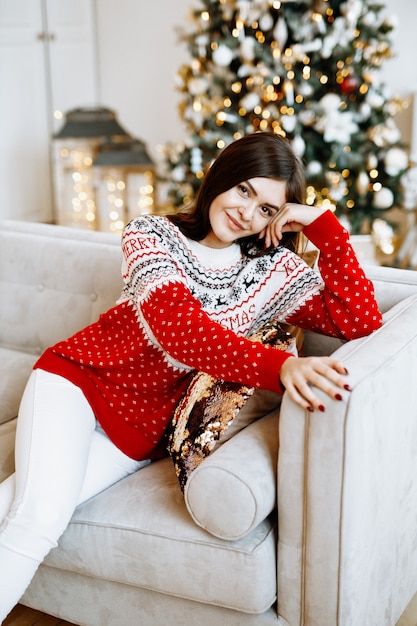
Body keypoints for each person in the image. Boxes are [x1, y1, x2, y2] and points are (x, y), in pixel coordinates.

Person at [0, 132, 382, 618]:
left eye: (268, 209)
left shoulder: (271, 273)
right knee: (37, 519)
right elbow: (181, 331)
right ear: (220, 177)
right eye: (244, 189)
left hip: (134, 435)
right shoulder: (151, 235)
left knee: (16, 507)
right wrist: (282, 367)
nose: (248, 212)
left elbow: (359, 320)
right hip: (77, 383)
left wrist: (325, 226)